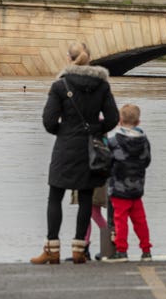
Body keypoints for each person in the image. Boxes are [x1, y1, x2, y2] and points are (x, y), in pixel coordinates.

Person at [31, 41, 119, 265]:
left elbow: (49, 121)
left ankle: (52, 249)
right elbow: (113, 118)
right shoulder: (102, 85)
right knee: (86, 198)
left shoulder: (60, 85)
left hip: (65, 146)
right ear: (89, 58)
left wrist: (65, 132)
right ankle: (80, 249)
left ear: (69, 59)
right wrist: (94, 129)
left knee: (55, 196)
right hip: (90, 148)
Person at [103, 104, 152, 263]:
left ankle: (121, 250)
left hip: (118, 187)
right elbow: (146, 161)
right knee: (140, 220)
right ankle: (146, 251)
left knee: (120, 220)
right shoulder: (144, 140)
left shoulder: (113, 141)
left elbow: (107, 161)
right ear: (138, 122)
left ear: (119, 121)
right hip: (137, 188)